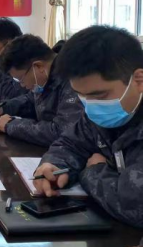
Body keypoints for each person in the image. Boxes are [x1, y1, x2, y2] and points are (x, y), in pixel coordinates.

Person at [35, 26, 143, 229]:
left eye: (99, 95)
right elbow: (70, 143)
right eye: (81, 96)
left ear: (138, 80)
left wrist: (93, 171)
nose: (90, 105)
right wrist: (52, 165)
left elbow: (135, 205)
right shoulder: (100, 112)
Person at [0, 34, 84, 147]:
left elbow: (63, 132)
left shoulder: (72, 79)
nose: (21, 84)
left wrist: (11, 125)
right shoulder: (47, 76)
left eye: (21, 79)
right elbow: (31, 100)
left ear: (38, 66)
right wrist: (3, 108)